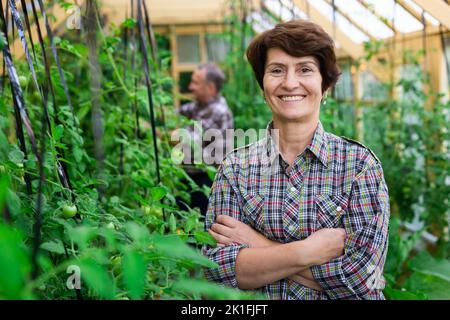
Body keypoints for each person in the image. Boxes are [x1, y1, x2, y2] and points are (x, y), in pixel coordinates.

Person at [202, 20, 390, 300]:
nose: (290, 83)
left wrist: (257, 244)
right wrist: (307, 251)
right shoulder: (235, 170)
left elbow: (362, 277)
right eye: (277, 70)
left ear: (325, 85)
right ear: (263, 86)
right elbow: (217, 272)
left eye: (305, 69)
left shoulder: (359, 166)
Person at [176, 63, 233, 215]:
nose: (190, 87)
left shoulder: (218, 111)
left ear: (211, 88)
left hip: (207, 181)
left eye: (195, 82)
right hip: (191, 176)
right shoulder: (198, 106)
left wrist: (157, 132)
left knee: (198, 226)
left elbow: (184, 141)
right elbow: (170, 115)